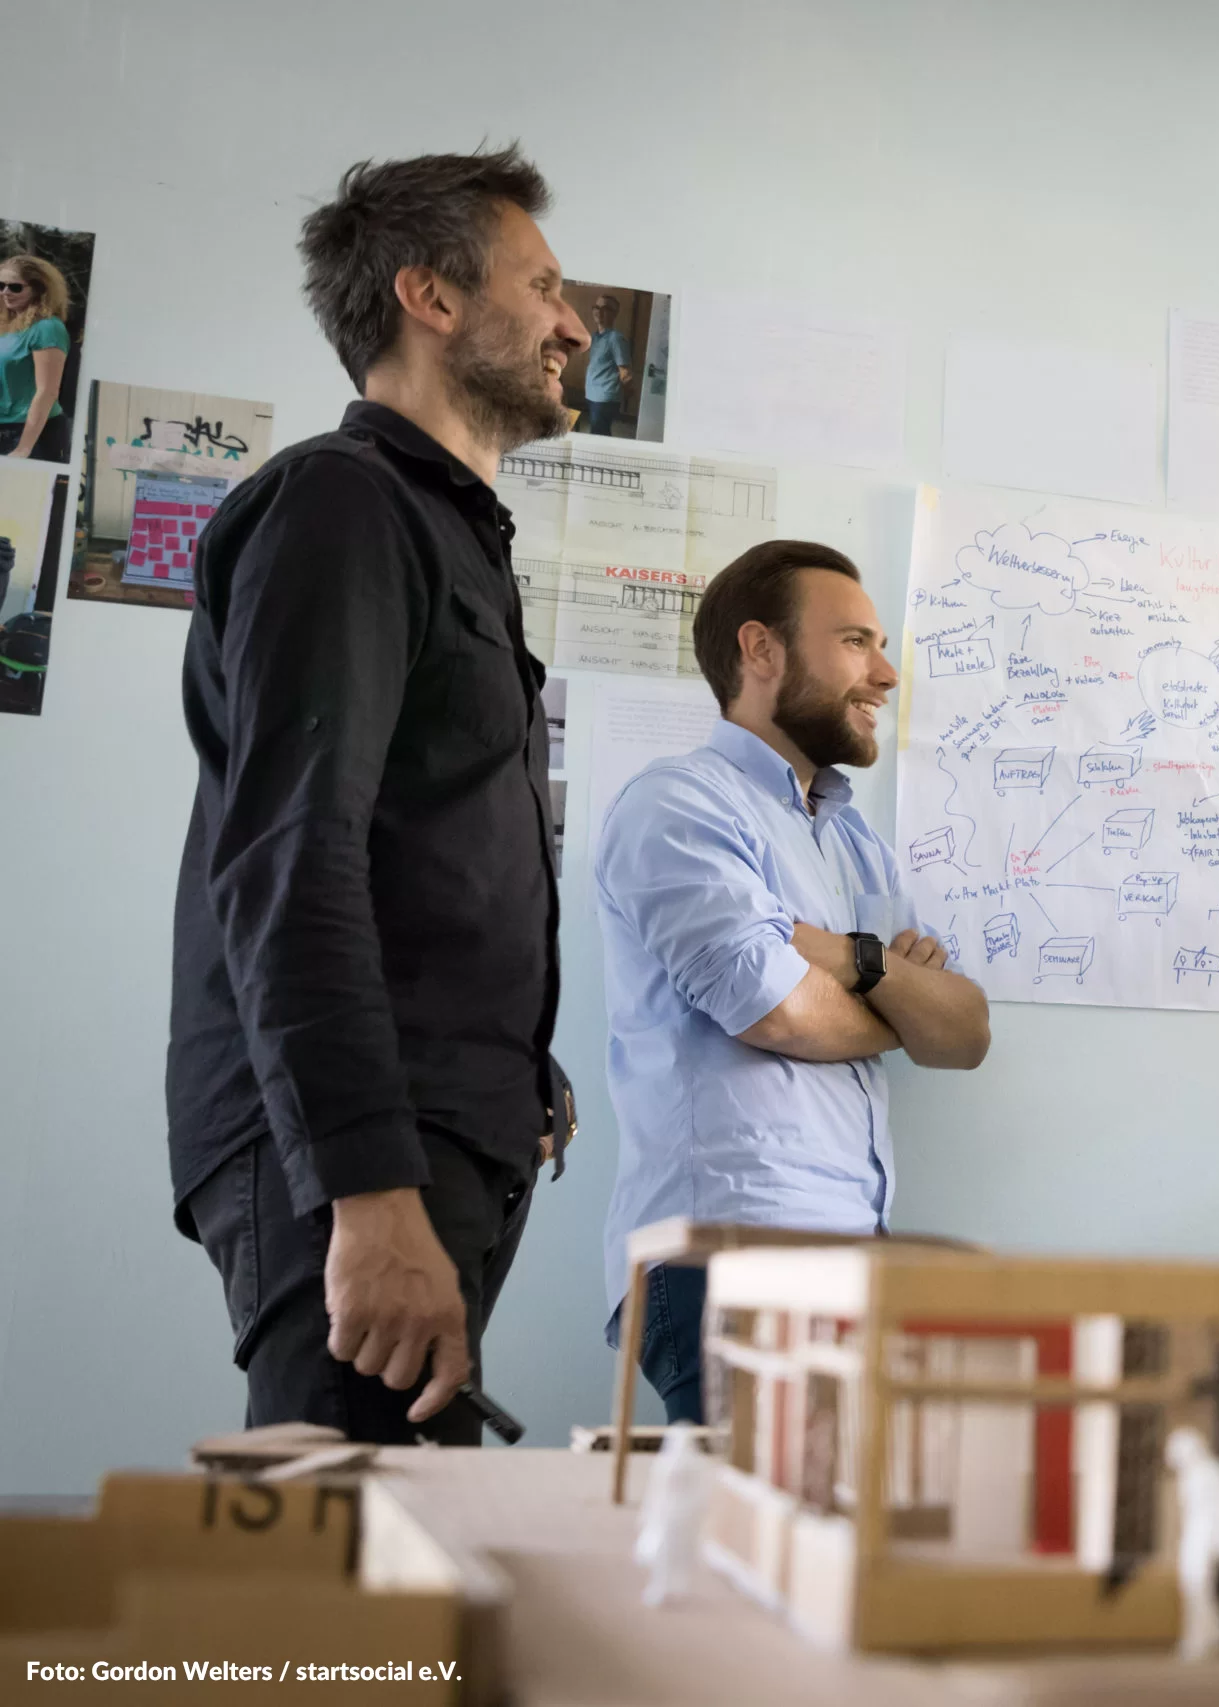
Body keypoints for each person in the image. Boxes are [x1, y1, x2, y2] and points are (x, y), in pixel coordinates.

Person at [167, 146, 590, 1443]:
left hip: (432, 1125)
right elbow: (293, 863)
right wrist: (365, 1187)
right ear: (433, 297)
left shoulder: (445, 530)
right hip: (360, 1148)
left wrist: (516, 1065)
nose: (575, 323)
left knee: (402, 1551)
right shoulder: (342, 506)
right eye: (546, 284)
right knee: (345, 1593)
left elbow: (422, 847)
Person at [595, 539, 991, 1424]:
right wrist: (895, 997)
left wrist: (852, 959)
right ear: (761, 651)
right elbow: (777, 1010)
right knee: (749, 1553)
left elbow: (962, 1033)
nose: (886, 674)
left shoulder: (855, 844)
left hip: (852, 1260)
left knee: (831, 1553)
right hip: (729, 1259)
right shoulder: (677, 804)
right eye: (856, 641)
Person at [0, 254, 74, 464]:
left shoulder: (47, 328)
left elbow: (47, 391)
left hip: (29, 434)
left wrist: (24, 448)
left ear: (38, 290)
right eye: (1, 285)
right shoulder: (5, 325)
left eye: (15, 287)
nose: (5, 292)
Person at [580, 294, 633, 437]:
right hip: (593, 394)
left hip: (605, 399)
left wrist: (624, 395)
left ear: (615, 313)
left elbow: (626, 374)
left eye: (605, 308)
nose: (599, 311)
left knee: (599, 434)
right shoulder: (595, 336)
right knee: (597, 432)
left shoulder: (616, 338)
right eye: (597, 307)